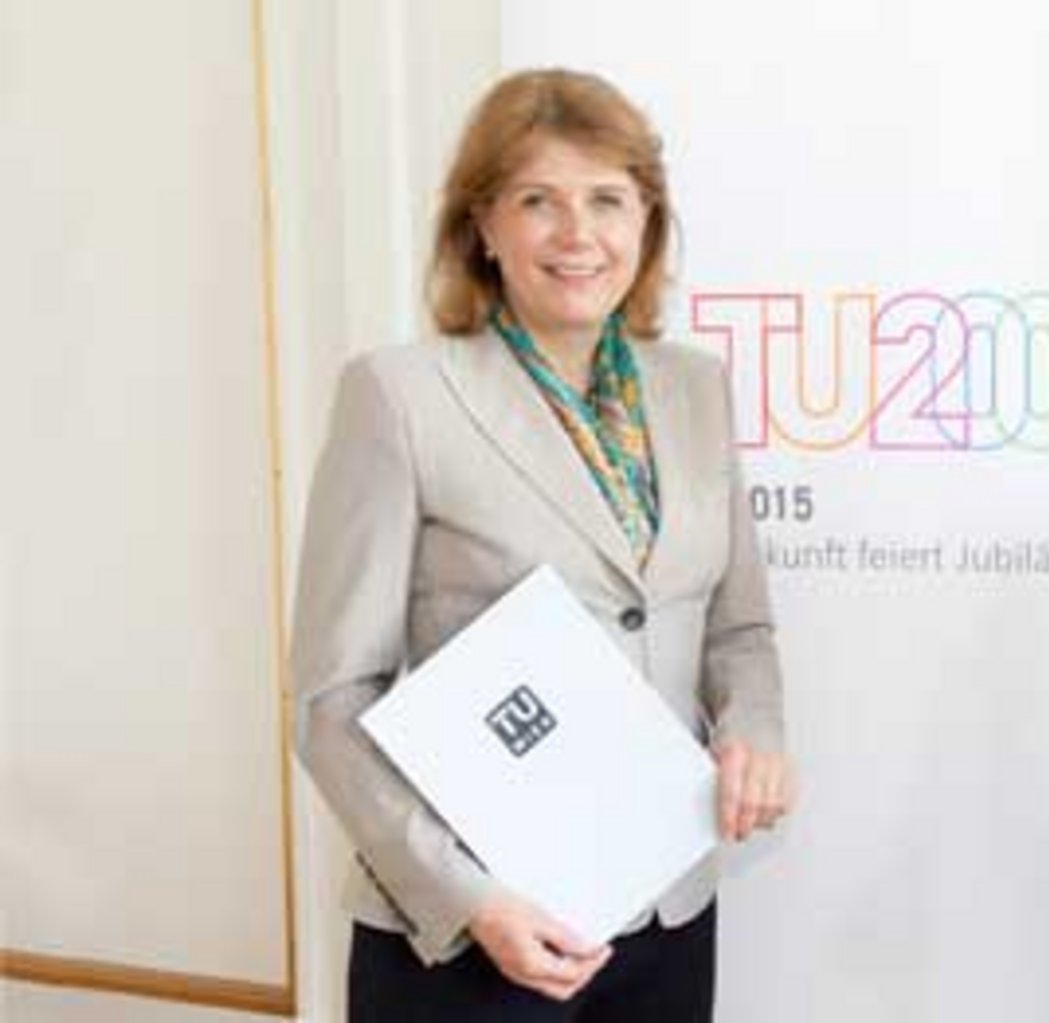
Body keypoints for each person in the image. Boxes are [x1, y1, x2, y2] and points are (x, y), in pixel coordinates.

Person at [292, 68, 790, 1021]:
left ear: (646, 220)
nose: (577, 234)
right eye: (537, 201)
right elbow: (332, 700)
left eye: (607, 199)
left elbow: (739, 630)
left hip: (666, 918)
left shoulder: (696, 388)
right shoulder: (399, 395)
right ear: (482, 224)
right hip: (472, 938)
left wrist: (754, 733)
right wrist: (470, 899)